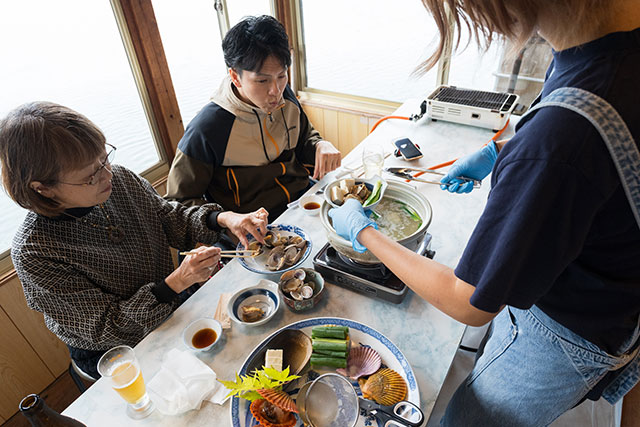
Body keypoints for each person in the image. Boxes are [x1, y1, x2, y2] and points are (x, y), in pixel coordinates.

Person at [328, 0, 640, 425]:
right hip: (610, 297)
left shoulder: (560, 137)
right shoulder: (610, 53)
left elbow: (471, 303)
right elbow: (594, 152)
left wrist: (364, 232)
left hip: (570, 333)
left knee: (468, 418)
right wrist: (501, 152)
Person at [0, 102, 269, 378]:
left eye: (104, 159)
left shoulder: (121, 180)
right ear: (43, 189)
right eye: (90, 176)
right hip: (116, 351)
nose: (107, 175)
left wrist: (223, 219)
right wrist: (176, 283)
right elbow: (106, 326)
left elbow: (170, 218)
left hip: (173, 305)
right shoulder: (35, 252)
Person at [165, 15, 341, 221]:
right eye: (262, 80)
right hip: (252, 230)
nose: (275, 90)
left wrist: (319, 145)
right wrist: (222, 219)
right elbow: (177, 205)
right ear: (234, 76)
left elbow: (304, 140)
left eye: (282, 75)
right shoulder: (207, 129)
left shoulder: (285, 97)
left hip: (302, 205)